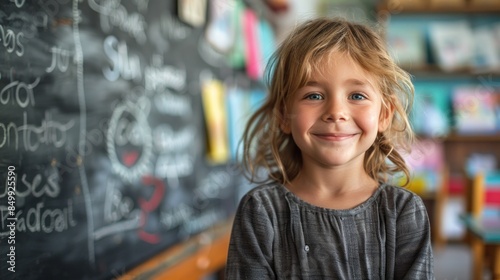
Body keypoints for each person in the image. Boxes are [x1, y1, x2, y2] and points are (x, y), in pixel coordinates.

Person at [225, 17, 434, 279]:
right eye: (313, 96)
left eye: (357, 96)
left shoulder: (402, 211)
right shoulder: (261, 211)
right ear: (283, 114)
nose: (336, 112)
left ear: (384, 115)